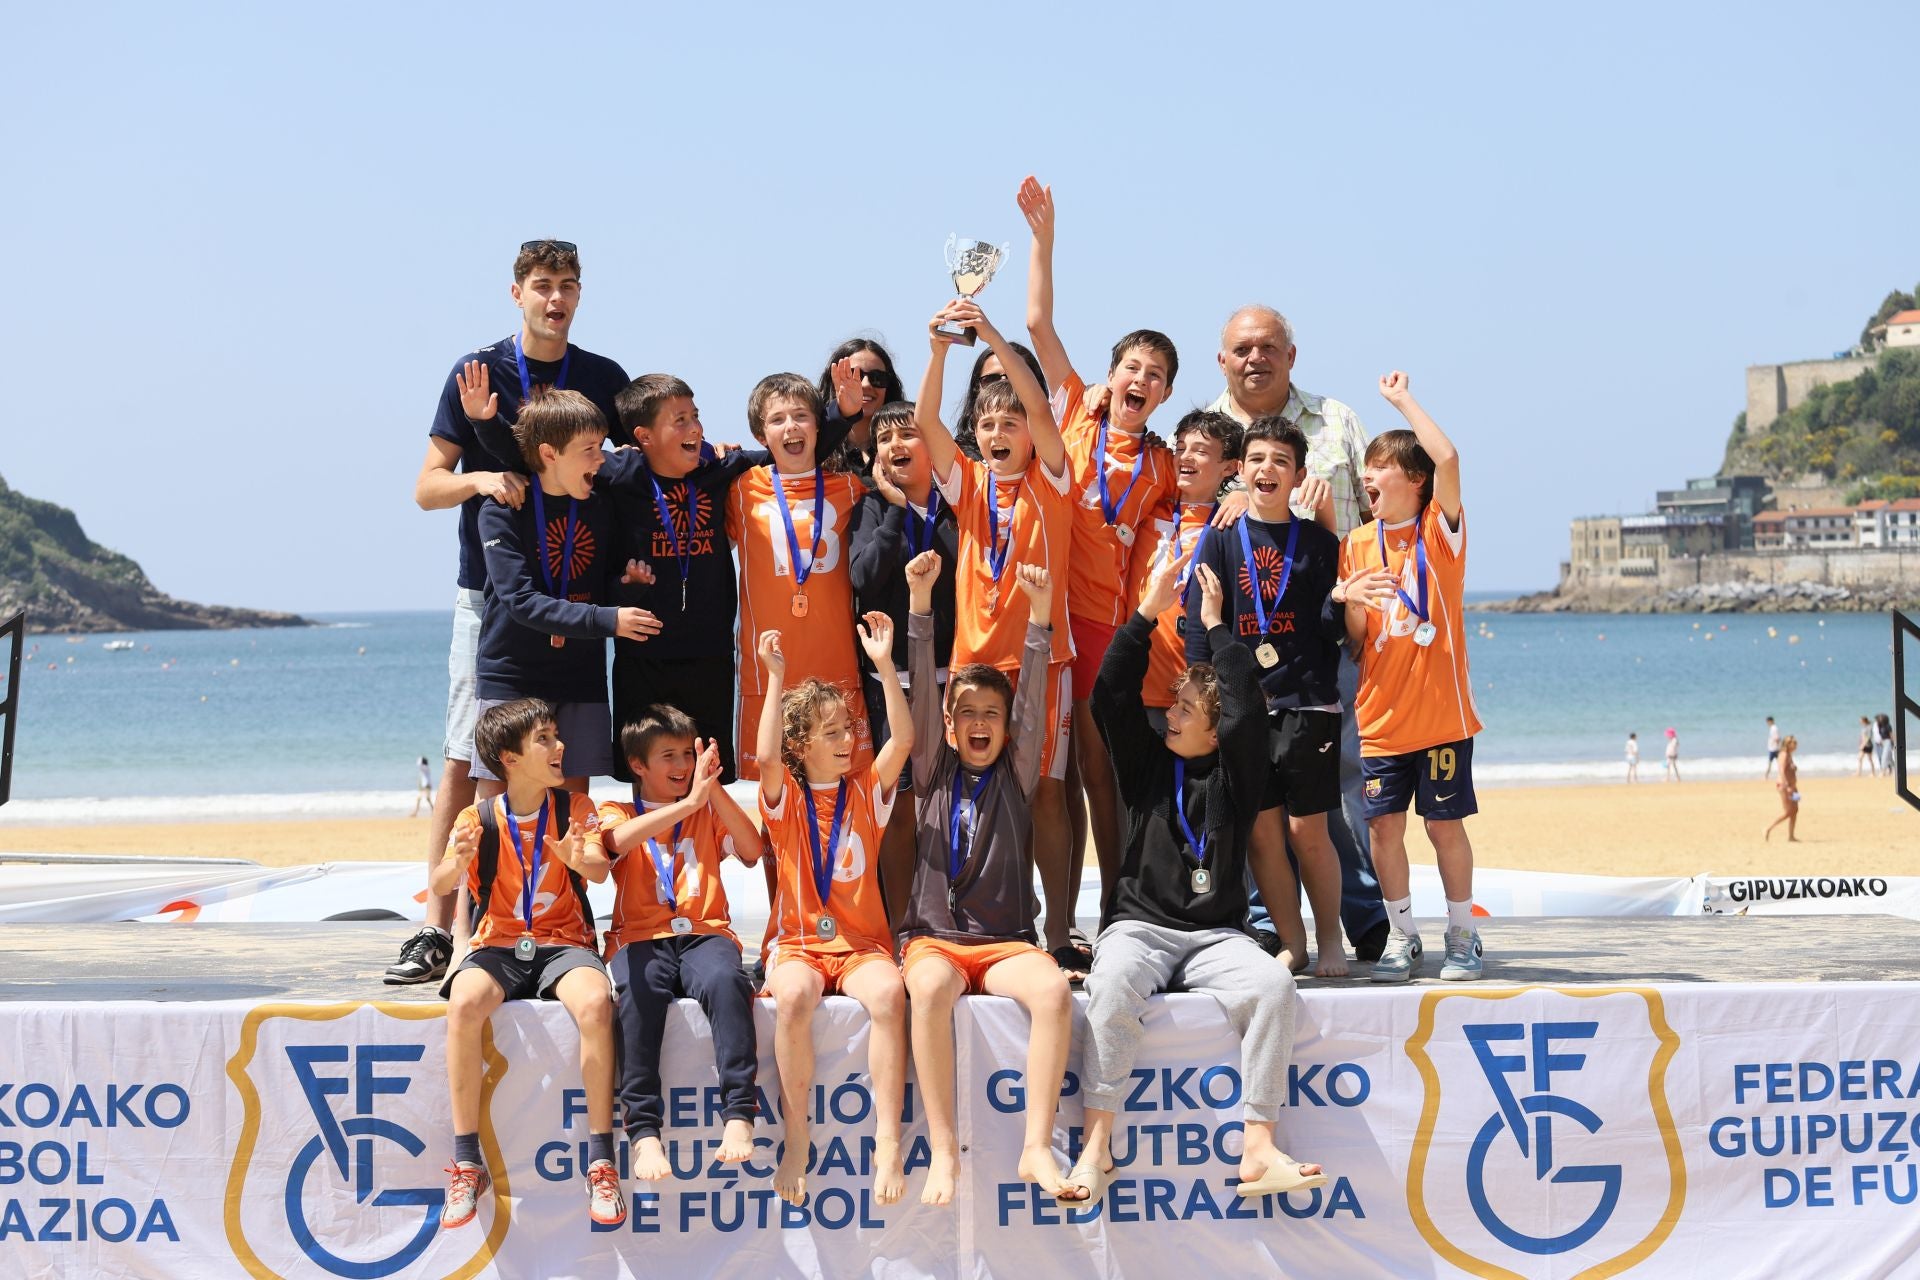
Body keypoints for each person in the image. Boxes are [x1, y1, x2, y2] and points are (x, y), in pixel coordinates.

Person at [393, 239, 630, 987]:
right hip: (489, 594)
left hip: (574, 590)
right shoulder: (479, 372)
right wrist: (483, 476)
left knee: (565, 768)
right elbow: (426, 488)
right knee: (468, 757)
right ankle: (442, 931)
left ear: (580, 295)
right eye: (541, 285)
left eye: (567, 285)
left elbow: (620, 470)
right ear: (516, 292)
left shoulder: (600, 378)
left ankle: (557, 918)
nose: (554, 298)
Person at [1067, 546, 1325, 1203]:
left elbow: (1245, 710)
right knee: (1115, 979)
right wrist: (1149, 612)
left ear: (1215, 733)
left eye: (1184, 708)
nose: (1170, 713)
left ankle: (1258, 1148)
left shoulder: (1239, 774)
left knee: (1271, 986)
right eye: (1174, 704)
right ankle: (1097, 1148)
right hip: (1140, 926)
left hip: (1216, 937)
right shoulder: (1146, 761)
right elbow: (1109, 694)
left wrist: (1215, 626)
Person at [467, 367, 861, 784]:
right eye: (681, 420)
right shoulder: (616, 474)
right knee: (647, 777)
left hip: (710, 656)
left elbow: (792, 451)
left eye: (696, 416)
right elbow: (550, 457)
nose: (696, 428)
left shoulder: (721, 470)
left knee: (705, 776)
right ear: (643, 436)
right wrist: (485, 427)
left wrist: (844, 412)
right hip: (642, 658)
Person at [1018, 175, 1182, 966]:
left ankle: (1120, 908)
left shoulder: (1160, 463)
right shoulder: (1075, 405)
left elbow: (1190, 518)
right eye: (1132, 366)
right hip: (1051, 623)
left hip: (1114, 629)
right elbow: (1037, 323)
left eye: (1154, 375)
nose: (1139, 381)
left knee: (1100, 770)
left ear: (1164, 394)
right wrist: (1043, 237)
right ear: (1111, 373)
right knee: (1057, 777)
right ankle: (1063, 916)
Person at [1208, 303, 1389, 962]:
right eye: (1242, 348)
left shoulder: (1339, 422)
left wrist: (1374, 615)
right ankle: (1269, 924)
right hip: (1245, 643)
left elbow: (1376, 522)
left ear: (1291, 354)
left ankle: (1363, 916)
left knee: (1342, 786)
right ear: (1222, 360)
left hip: (1337, 631)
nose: (1255, 357)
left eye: (1268, 346)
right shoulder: (1206, 431)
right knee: (1256, 793)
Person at [899, 553, 1070, 1205]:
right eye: (965, 712)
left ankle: (1035, 1147)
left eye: (991, 715)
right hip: (935, 941)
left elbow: (1032, 691)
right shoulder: (930, 772)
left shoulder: (1017, 776)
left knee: (1053, 992)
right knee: (932, 989)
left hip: (1004, 940)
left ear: (1008, 729)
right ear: (947, 726)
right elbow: (921, 687)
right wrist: (921, 604)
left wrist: (1042, 614)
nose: (979, 723)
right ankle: (943, 1149)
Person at [913, 297, 1078, 971]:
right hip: (973, 666)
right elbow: (925, 422)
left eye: (1011, 421)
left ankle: (1061, 931)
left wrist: (993, 336)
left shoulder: (1054, 478)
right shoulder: (970, 482)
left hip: (1043, 661)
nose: (1001, 430)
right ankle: (976, 919)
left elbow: (1044, 409)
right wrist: (940, 352)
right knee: (964, 796)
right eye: (988, 422)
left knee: (1045, 795)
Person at [431, 699, 624, 1229]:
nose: (559, 747)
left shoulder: (576, 807)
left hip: (564, 943)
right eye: (544, 739)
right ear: (509, 757)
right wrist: (459, 861)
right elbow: (441, 884)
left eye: (555, 735)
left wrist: (576, 857)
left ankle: (601, 1160)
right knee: (465, 1004)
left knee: (594, 1003)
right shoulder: (478, 816)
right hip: (498, 945)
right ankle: (466, 1161)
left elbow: (600, 870)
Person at [754, 616, 913, 1208]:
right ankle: (797, 1139)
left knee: (890, 997)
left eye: (848, 728)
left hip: (862, 945)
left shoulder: (867, 790)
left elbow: (903, 740)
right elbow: (766, 754)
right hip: (798, 945)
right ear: (803, 746)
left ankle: (888, 1140)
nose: (848, 739)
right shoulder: (788, 800)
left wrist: (884, 667)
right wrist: (773, 679)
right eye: (832, 732)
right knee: (793, 997)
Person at [1189, 417, 1351, 979]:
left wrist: (1341, 598)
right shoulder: (1220, 536)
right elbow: (1197, 626)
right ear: (1240, 470)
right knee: (1261, 833)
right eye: (1257, 458)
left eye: (1281, 461)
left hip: (1308, 704)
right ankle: (1294, 942)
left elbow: (1334, 628)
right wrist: (1206, 702)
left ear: (1298, 474)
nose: (1268, 469)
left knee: (1310, 832)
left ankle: (1331, 941)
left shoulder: (1319, 542)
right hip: (1244, 706)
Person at [1336, 372, 1482, 984]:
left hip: (1442, 717)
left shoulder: (1438, 533)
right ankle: (1402, 938)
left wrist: (1400, 401)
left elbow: (1447, 456)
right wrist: (1349, 596)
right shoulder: (1355, 543)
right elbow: (1357, 639)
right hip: (1380, 719)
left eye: (1379, 469)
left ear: (1413, 480)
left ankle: (1463, 936)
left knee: (1444, 826)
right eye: (1364, 469)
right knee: (1384, 830)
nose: (1366, 479)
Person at [597, 708, 765, 1185]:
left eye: (687, 754)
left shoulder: (709, 807)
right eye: (667, 755)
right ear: (637, 766)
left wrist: (711, 790)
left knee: (727, 981)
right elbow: (614, 843)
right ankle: (644, 1130)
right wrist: (687, 806)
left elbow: (753, 851)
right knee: (638, 996)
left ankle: (738, 1114)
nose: (681, 764)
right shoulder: (618, 810)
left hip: (705, 932)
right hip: (640, 936)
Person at [471, 393, 660, 794]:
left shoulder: (600, 506)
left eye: (602, 446)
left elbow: (596, 587)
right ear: (549, 453)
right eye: (589, 449)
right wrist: (609, 620)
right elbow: (519, 600)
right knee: (499, 810)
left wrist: (625, 589)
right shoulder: (502, 510)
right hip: (513, 677)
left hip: (581, 677)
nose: (600, 459)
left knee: (572, 814)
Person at [728, 374, 874, 781]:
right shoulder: (741, 490)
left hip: (838, 672)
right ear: (761, 433)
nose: (790, 427)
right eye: (777, 419)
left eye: (801, 416)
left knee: (846, 794)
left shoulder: (850, 488)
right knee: (771, 798)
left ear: (817, 428)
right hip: (767, 678)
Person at [848, 400, 960, 923]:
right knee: (896, 808)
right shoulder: (870, 509)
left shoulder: (960, 503)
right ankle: (899, 926)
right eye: (884, 438)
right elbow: (863, 579)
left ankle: (947, 917)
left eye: (909, 434)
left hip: (953, 677)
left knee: (952, 809)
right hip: (887, 681)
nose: (895, 446)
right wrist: (893, 508)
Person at [1129, 411, 1242, 735]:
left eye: (1201, 450)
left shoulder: (1233, 523)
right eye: (1180, 447)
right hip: (1143, 681)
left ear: (1230, 466)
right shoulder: (1149, 507)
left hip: (1201, 692)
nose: (1186, 456)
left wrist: (1244, 497)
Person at [818, 337, 904, 480]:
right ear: (833, 382)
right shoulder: (811, 446)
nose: (865, 384)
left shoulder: (907, 449)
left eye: (878, 378)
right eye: (853, 375)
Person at [955, 341, 1049, 463]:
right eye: (991, 380)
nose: (1002, 386)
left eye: (1015, 377)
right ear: (976, 389)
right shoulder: (958, 462)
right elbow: (927, 423)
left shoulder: (1060, 455)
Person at [1766, 735, 1801, 841]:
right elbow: (1781, 770)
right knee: (1788, 811)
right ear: (1788, 744)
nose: (1795, 746)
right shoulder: (1783, 754)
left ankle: (1791, 836)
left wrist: (1794, 768)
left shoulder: (1789, 755)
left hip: (1793, 787)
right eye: (1793, 743)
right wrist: (1786, 785)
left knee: (1795, 810)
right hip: (1785, 786)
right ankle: (1768, 828)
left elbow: (1788, 769)